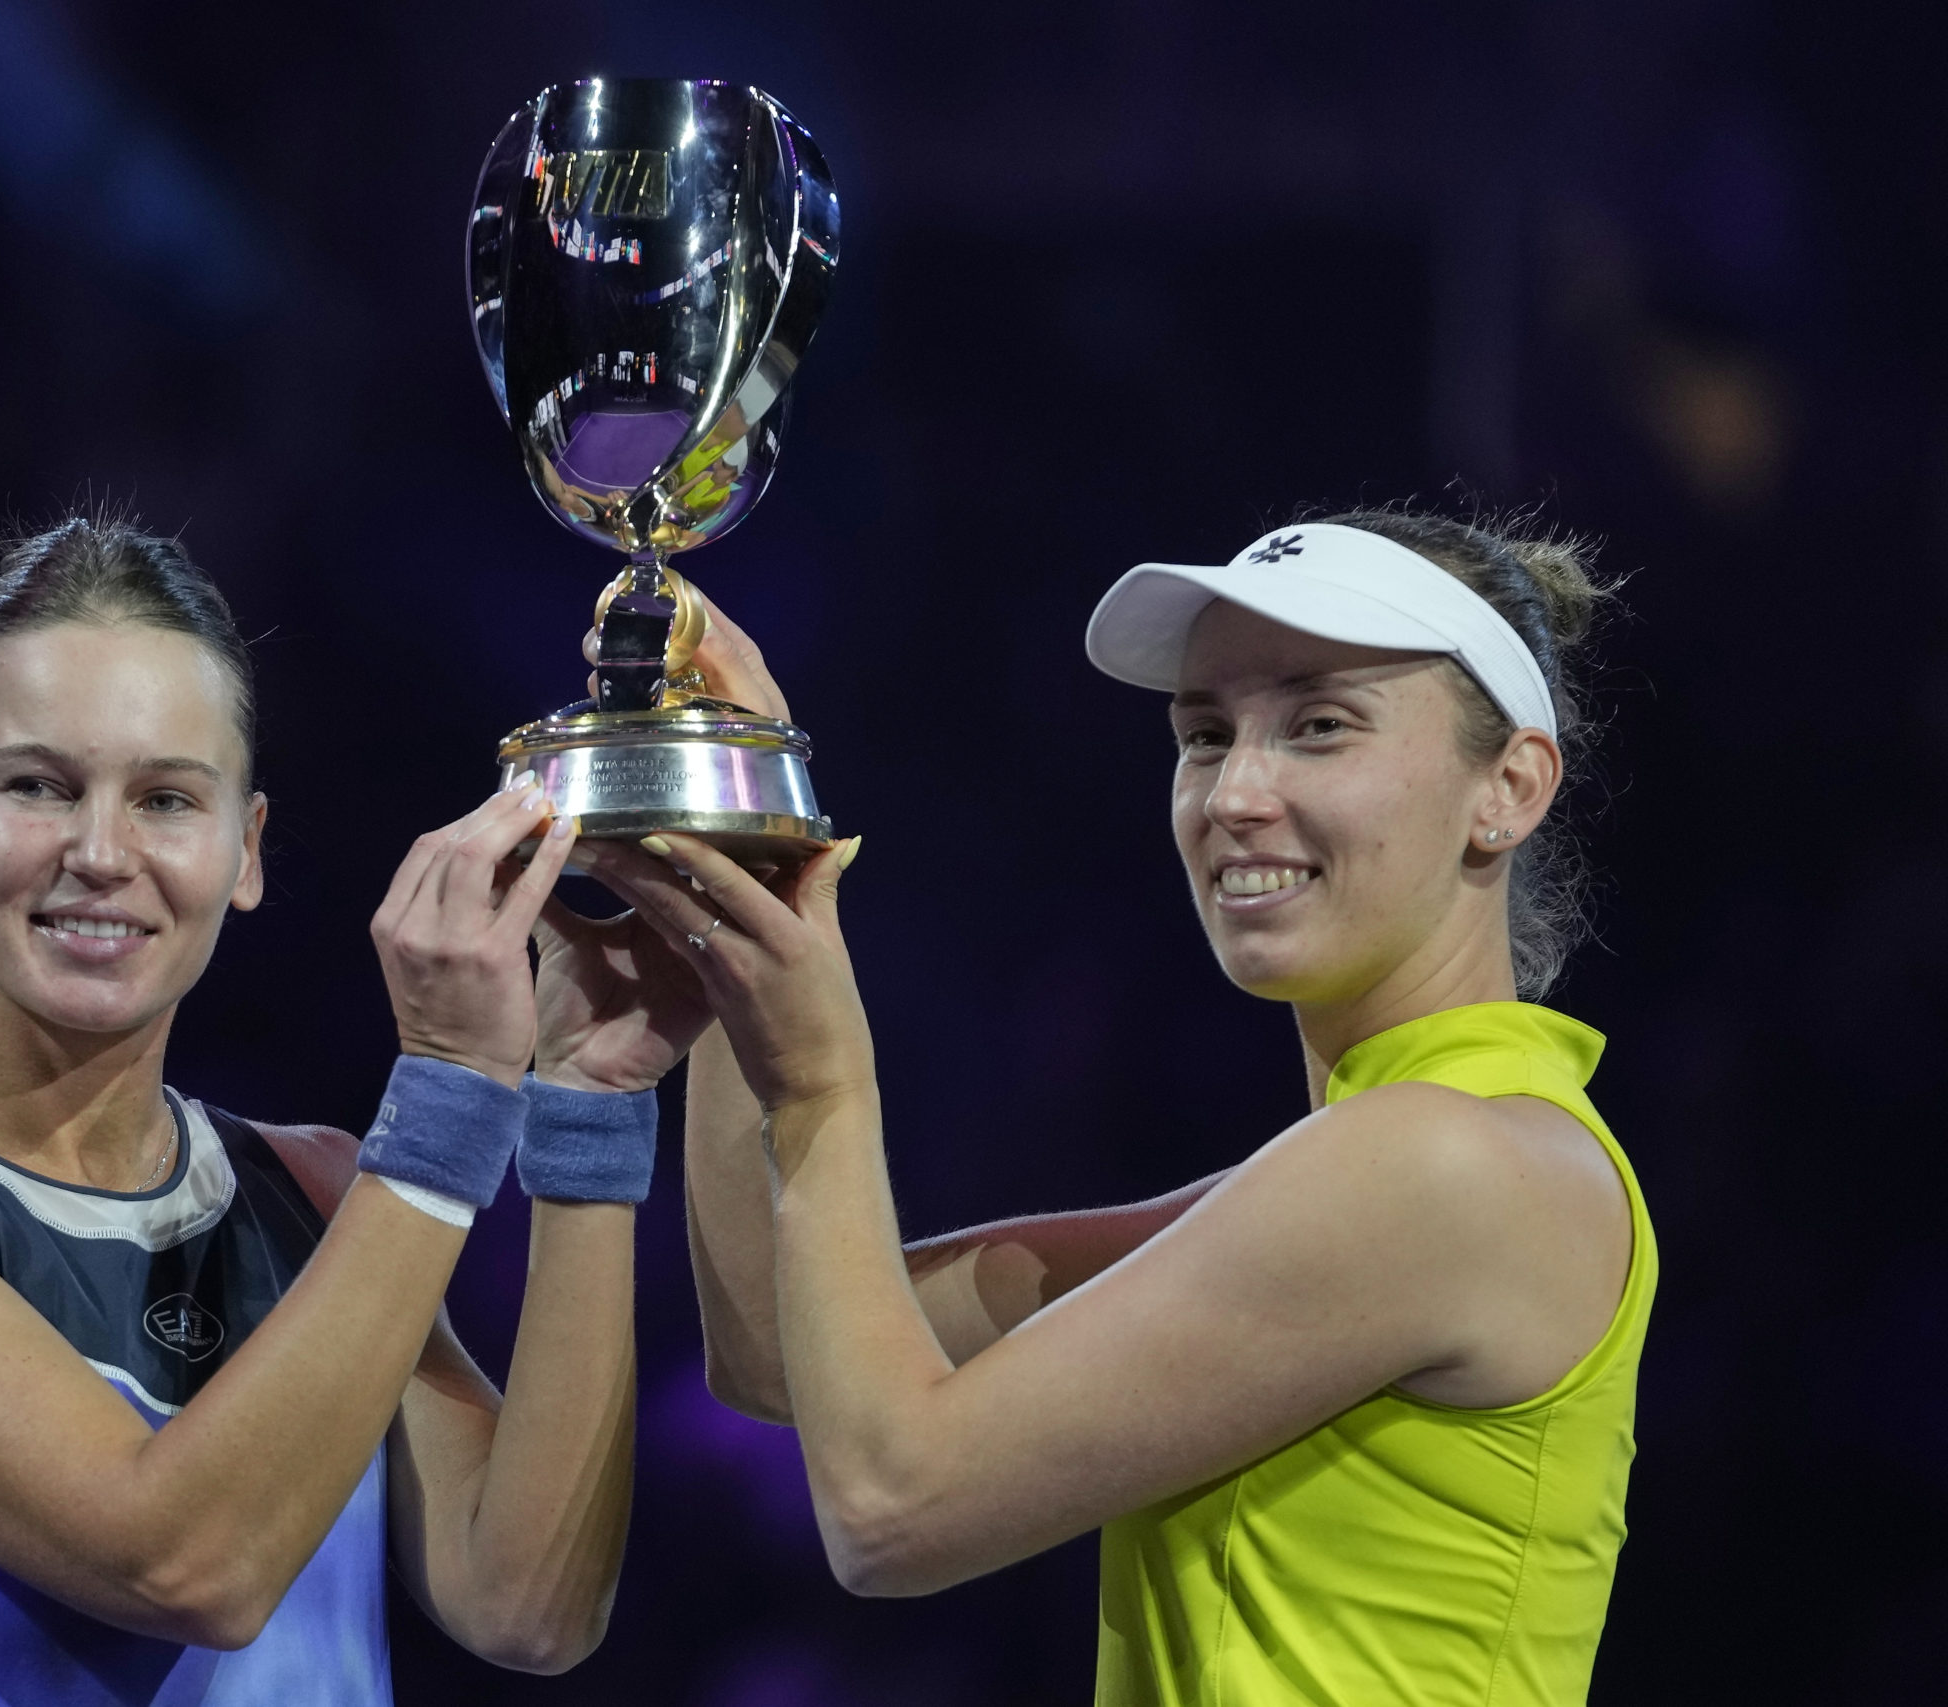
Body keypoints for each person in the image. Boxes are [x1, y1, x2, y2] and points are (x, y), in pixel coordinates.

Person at [587, 510, 1653, 1705]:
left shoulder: (1445, 1166)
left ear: (1507, 788)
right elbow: (781, 1358)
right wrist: (752, 847)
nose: (1233, 793)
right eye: (1205, 734)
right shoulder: (1390, 1159)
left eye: (1317, 726)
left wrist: (828, 1080)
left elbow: (889, 1509)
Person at [0, 515, 702, 1705]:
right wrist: (446, 1095)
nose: (102, 853)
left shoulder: (324, 1191)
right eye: (36, 785)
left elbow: (530, 1607)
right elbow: (184, 1565)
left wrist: (588, 1101)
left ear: (247, 849)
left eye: (167, 800)